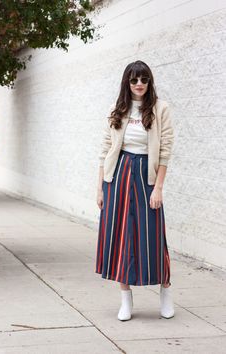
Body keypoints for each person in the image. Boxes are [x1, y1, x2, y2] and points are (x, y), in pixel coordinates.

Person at [95, 60, 175, 321]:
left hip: (147, 177)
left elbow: (165, 151)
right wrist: (100, 189)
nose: (139, 84)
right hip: (118, 175)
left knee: (152, 236)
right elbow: (105, 150)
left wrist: (158, 188)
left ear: (149, 82)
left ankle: (165, 291)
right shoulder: (116, 109)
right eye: (134, 80)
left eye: (143, 79)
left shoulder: (160, 109)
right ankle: (125, 299)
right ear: (126, 83)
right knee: (120, 237)